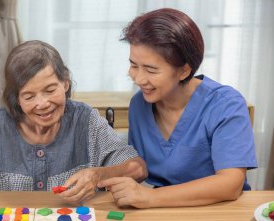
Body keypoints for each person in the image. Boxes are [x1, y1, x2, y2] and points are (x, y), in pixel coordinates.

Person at [0, 40, 146, 203]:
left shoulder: (87, 122)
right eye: (29, 96)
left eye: (50, 90)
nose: (42, 104)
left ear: (65, 82)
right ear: (15, 99)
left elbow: (137, 168)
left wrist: (98, 175)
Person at [98, 8, 257, 208]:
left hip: (220, 214)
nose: (138, 79)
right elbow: (141, 166)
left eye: (150, 69)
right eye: (133, 65)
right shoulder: (139, 105)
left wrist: (150, 197)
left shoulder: (226, 105)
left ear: (184, 71)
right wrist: (99, 175)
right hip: (164, 214)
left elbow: (230, 184)